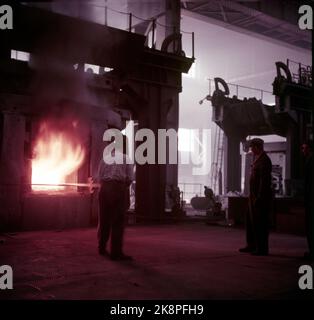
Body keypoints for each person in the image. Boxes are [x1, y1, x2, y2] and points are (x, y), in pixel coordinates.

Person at [96, 135, 134, 261]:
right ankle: (116, 252)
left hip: (104, 189)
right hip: (117, 189)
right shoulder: (125, 158)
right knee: (117, 221)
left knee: (104, 219)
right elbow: (129, 178)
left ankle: (101, 248)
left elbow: (99, 177)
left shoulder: (105, 159)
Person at [239, 138, 272, 256]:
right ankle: (251, 245)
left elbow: (264, 182)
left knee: (260, 223)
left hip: (259, 198)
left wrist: (259, 197)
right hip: (252, 197)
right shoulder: (257, 159)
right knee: (250, 221)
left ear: (257, 147)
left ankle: (261, 248)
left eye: (252, 147)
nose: (251, 149)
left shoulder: (264, 161)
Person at [301, 141, 314, 261]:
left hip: (311, 200)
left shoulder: (310, 161)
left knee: (310, 227)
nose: (302, 150)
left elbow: (309, 183)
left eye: (304, 148)